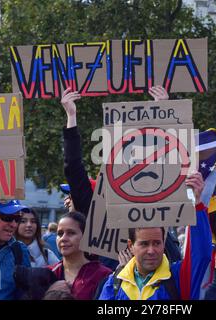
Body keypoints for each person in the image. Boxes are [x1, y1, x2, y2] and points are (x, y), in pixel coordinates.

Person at [60, 85, 181, 270]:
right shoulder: (94, 206)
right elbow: (73, 168)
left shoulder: (154, 204)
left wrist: (160, 112)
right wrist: (71, 117)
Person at [98, 171, 214, 300]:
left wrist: (197, 203)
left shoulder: (177, 277)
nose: (151, 251)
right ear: (131, 245)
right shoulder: (114, 283)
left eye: (157, 243)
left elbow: (201, 254)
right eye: (144, 244)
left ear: (164, 243)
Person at [48, 211, 112, 300]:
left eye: (71, 233)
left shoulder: (104, 275)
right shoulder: (47, 273)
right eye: (60, 233)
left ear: (85, 237)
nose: (63, 238)